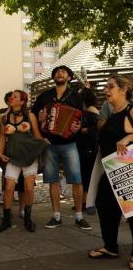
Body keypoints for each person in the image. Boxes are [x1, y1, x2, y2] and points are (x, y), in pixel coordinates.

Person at [32, 65, 91, 230]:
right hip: (50, 143)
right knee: (53, 181)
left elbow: (82, 118)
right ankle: (56, 216)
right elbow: (32, 114)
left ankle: (79, 216)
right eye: (57, 71)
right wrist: (39, 132)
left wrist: (77, 126)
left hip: (70, 143)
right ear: (54, 77)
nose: (60, 73)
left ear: (69, 78)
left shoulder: (75, 97)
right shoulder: (45, 96)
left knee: (77, 180)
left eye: (63, 71)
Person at [88, 75, 133, 268]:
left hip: (126, 167)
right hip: (110, 167)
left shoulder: (130, 111)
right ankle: (110, 247)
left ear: (124, 89)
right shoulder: (113, 114)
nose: (107, 90)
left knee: (131, 211)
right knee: (104, 204)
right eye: (106, 86)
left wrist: (128, 137)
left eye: (111, 86)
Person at [0, 90, 47, 233]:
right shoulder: (5, 118)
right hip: (13, 156)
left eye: (15, 96)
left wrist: (43, 143)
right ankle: (6, 220)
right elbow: (3, 138)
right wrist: (0, 153)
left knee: (29, 188)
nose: (11, 97)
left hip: (29, 156)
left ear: (22, 101)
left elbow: (36, 134)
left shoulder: (30, 116)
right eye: (11, 96)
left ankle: (28, 219)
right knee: (9, 188)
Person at [76, 87, 99, 214]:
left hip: (88, 148)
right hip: (85, 147)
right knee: (85, 175)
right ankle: (85, 202)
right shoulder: (89, 110)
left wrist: (86, 130)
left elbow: (97, 130)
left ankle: (89, 203)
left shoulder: (91, 112)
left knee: (87, 176)